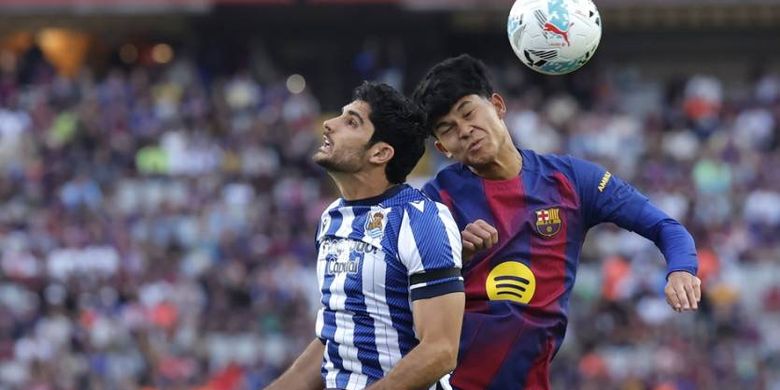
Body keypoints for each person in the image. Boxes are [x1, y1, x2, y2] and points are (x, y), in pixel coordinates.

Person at [411, 54, 702, 390]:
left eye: (468, 112)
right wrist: (454, 257)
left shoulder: (572, 180)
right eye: (448, 129)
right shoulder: (435, 201)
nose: (464, 131)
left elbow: (666, 227)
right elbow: (404, 288)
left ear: (497, 105)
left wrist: (682, 269)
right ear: (443, 148)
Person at [266, 81, 465, 390]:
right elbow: (335, 336)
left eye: (351, 122)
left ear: (380, 152)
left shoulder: (421, 219)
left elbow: (440, 350)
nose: (329, 124)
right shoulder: (331, 218)